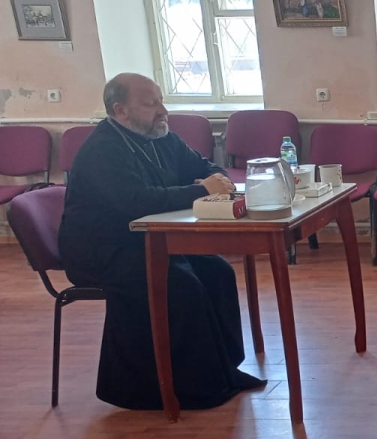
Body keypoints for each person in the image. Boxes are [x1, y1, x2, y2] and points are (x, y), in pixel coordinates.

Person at [58, 73, 264, 411]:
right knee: (180, 284)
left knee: (218, 272)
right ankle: (181, 388)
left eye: (161, 100)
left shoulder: (161, 137)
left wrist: (218, 179)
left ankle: (223, 372)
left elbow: (205, 168)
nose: (163, 110)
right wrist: (200, 189)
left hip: (150, 239)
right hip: (103, 249)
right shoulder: (102, 150)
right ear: (120, 110)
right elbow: (136, 201)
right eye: (151, 104)